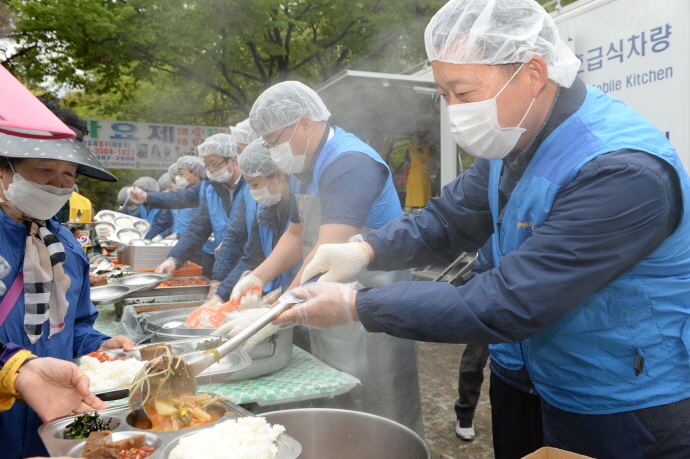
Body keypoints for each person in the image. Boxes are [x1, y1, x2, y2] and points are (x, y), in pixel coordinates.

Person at [278, 1, 690, 458]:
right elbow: (445, 220)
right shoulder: (513, 136)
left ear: (533, 73)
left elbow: (512, 299)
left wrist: (356, 305)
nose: (454, 111)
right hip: (526, 373)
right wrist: (366, 251)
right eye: (443, 95)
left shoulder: (623, 172)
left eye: (464, 92)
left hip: (620, 401)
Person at [232, 80, 424, 435]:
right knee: (340, 413)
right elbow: (295, 235)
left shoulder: (350, 162)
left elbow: (328, 244)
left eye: (274, 141)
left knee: (378, 414)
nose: (274, 152)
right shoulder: (307, 169)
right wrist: (258, 276)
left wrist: (278, 308)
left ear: (305, 123)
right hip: (326, 299)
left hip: (369, 308)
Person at [0, 101, 134, 458]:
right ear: (4, 169)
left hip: (54, 425)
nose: (58, 185)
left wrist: (99, 347)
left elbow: (73, 326)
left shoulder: (69, 250)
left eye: (69, 174)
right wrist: (13, 368)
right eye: (44, 169)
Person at [129, 134, 246, 279]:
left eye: (214, 163)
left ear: (233, 160)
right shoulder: (210, 189)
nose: (210, 170)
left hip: (248, 265)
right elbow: (197, 229)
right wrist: (174, 258)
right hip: (217, 258)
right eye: (207, 164)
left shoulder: (252, 187)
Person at [202, 139, 297, 308]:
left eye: (255, 185)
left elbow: (313, 259)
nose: (252, 192)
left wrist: (286, 290)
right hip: (278, 294)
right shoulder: (265, 208)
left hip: (308, 295)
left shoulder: (303, 207)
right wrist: (221, 295)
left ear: (279, 174)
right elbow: (252, 256)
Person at [398, 132, 433, 208]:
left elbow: (439, 156)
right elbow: (406, 164)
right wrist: (404, 176)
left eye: (416, 138)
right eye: (413, 138)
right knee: (414, 198)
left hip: (425, 178)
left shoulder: (428, 148)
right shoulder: (410, 150)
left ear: (421, 139)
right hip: (413, 179)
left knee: (425, 200)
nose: (414, 140)